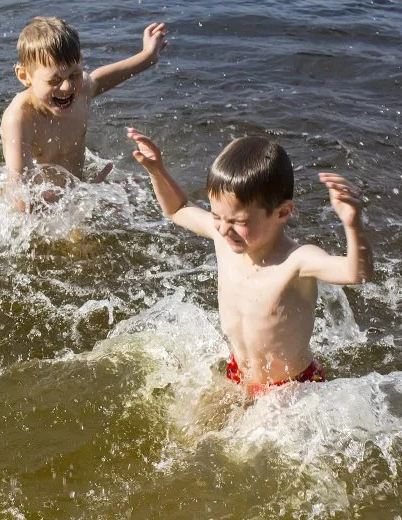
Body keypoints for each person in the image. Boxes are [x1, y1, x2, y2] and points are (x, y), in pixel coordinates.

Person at [126, 127, 373, 394]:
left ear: (283, 212)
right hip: (238, 373)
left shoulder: (296, 261)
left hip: (290, 388)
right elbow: (177, 209)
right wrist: (156, 170)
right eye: (217, 216)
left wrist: (353, 225)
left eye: (239, 222)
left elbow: (355, 274)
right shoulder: (223, 236)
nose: (222, 229)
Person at [1, 16, 167, 211]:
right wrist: (77, 202)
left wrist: (147, 57)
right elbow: (20, 195)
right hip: (42, 206)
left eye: (74, 75)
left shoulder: (81, 91)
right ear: (24, 76)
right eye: (54, 80)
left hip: (75, 194)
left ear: (81, 61)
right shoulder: (20, 119)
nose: (67, 87)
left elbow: (99, 80)